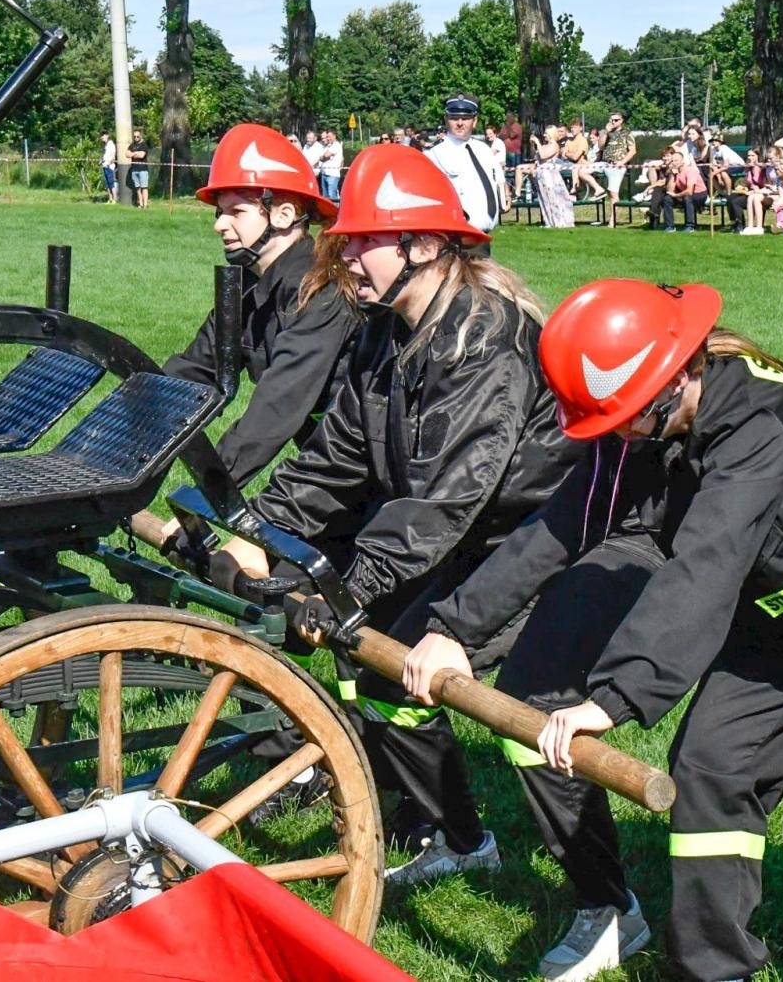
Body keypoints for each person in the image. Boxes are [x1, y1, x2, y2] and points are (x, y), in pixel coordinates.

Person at [402, 279, 783, 982]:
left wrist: (612, 697)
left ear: (677, 378)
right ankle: (710, 972)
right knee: (709, 775)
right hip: (779, 619)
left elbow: (706, 564)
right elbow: (565, 522)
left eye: (623, 422)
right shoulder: (649, 416)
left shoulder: (756, 431)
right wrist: (456, 626)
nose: (616, 439)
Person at [214, 141, 580, 886]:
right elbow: (338, 457)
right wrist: (256, 533)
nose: (345, 256)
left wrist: (344, 585)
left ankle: (602, 898)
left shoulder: (486, 339)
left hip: (533, 544)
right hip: (462, 537)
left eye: (363, 241)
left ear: (426, 245)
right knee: (376, 672)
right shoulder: (385, 327)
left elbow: (446, 498)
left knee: (519, 709)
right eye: (344, 240)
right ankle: (460, 840)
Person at [157, 123, 359, 489]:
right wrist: (114, 438)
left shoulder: (321, 289)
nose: (219, 224)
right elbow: (190, 373)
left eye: (236, 211)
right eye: (219, 212)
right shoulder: (248, 286)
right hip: (331, 462)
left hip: (379, 473)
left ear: (282, 215)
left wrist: (210, 495)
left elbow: (278, 404)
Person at [424, 92, 506, 251]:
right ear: (446, 120)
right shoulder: (434, 155)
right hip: (454, 239)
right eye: (454, 118)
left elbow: (496, 180)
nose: (460, 123)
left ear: (474, 121)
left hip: (482, 238)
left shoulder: (484, 150)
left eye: (466, 118)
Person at [596, 111, 637, 228]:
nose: (613, 122)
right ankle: (598, 189)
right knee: (582, 170)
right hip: (604, 163)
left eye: (616, 120)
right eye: (611, 120)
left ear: (622, 120)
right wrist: (605, 132)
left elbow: (633, 151)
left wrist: (622, 162)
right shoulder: (605, 132)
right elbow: (600, 146)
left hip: (618, 165)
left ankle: (612, 220)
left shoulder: (627, 133)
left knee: (613, 193)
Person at [653, 147, 707, 232]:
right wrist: (672, 175)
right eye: (672, 161)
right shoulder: (674, 172)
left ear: (682, 162)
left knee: (687, 198)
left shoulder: (690, 171)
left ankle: (690, 226)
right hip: (683, 193)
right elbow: (670, 190)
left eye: (676, 161)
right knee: (667, 199)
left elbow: (689, 191)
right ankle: (670, 226)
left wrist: (676, 195)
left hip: (699, 194)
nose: (674, 163)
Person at [313, 128, 344, 204]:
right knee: (325, 197)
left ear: (334, 136)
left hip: (332, 175)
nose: (328, 138)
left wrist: (323, 157)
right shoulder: (328, 146)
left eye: (329, 136)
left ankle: (335, 213)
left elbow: (325, 155)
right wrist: (323, 157)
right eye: (327, 137)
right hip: (325, 174)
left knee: (332, 197)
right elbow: (323, 157)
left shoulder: (336, 145)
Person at [127, 128, 150, 209]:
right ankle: (140, 204)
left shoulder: (144, 145)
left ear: (141, 137)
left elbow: (142, 155)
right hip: (134, 169)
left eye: (137, 137)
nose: (136, 138)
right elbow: (127, 154)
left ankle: (145, 204)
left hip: (143, 169)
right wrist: (136, 153)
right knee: (138, 188)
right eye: (134, 137)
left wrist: (133, 154)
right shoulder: (132, 145)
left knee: (144, 187)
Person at [100, 131, 118, 204]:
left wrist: (109, 163)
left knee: (111, 183)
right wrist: (101, 161)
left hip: (109, 166)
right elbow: (105, 155)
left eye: (103, 136)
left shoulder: (111, 144)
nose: (102, 138)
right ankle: (110, 199)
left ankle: (115, 199)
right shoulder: (106, 145)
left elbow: (113, 155)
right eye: (101, 137)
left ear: (107, 136)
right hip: (104, 165)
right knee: (107, 183)